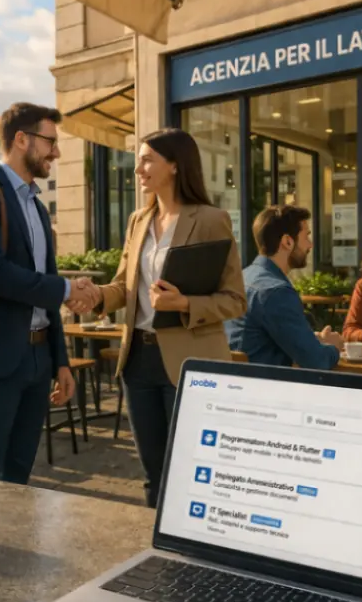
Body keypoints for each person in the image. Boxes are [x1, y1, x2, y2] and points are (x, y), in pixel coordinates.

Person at [73, 128, 245, 508]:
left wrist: (184, 303)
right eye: (139, 159)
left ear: (175, 165)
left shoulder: (211, 220)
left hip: (191, 362)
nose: (138, 168)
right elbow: (124, 286)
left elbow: (235, 300)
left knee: (192, 471)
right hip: (138, 361)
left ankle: (199, 554)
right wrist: (96, 295)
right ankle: (159, 557)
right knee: (153, 472)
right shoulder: (138, 220)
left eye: (147, 159)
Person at [0, 102, 91, 485]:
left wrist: (60, 361)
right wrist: (65, 289)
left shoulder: (38, 208)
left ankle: (7, 548)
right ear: (21, 139)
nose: (56, 153)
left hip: (37, 362)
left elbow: (45, 284)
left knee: (18, 477)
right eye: (50, 142)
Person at [226, 205, 341, 370]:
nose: (310, 245)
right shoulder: (275, 292)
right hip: (265, 388)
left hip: (236, 383)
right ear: (287, 241)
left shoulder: (242, 278)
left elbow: (262, 338)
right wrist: (333, 347)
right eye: (306, 236)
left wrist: (313, 340)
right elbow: (316, 361)